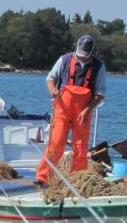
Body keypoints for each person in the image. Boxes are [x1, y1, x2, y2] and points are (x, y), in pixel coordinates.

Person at [36, 34, 107, 185]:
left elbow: (100, 94)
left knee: (80, 147)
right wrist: (53, 90)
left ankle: (77, 179)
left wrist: (87, 110)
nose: (81, 57)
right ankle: (43, 177)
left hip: (84, 112)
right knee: (55, 144)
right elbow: (50, 79)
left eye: (85, 55)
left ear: (91, 52)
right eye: (80, 54)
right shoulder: (64, 60)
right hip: (62, 109)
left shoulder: (99, 66)